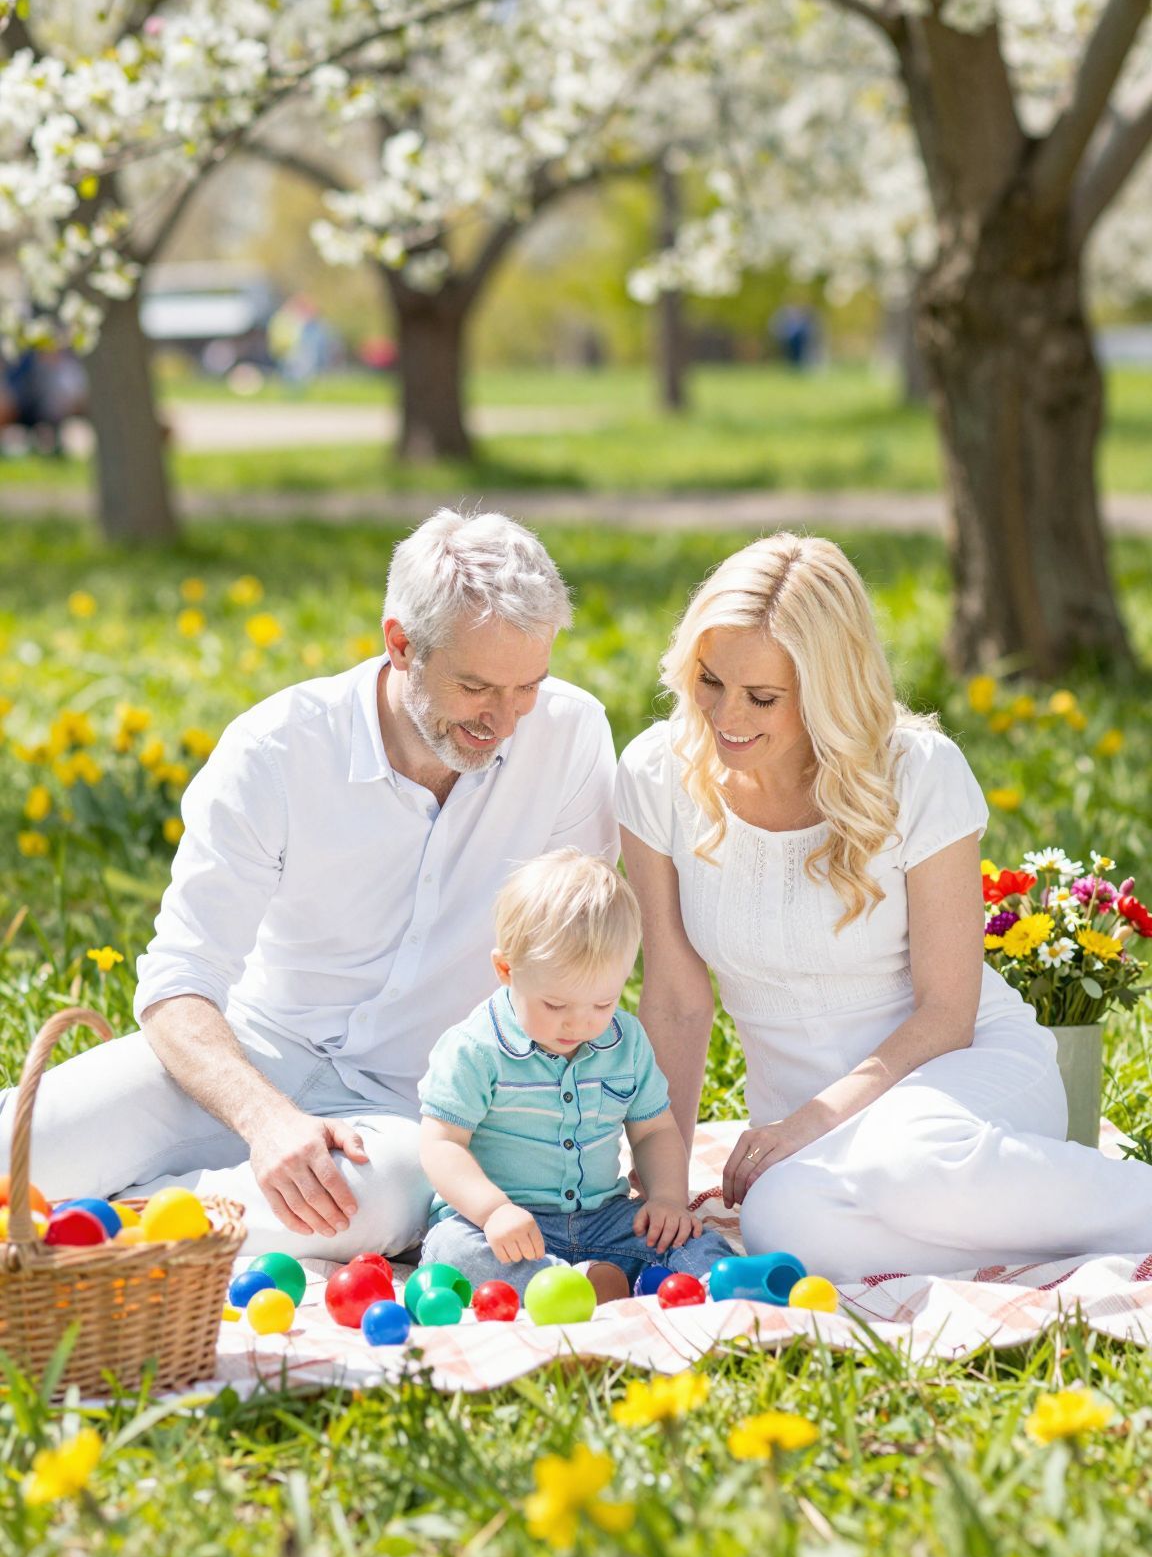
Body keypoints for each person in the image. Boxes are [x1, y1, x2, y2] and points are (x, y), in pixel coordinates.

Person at [0, 511, 618, 1259]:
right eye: (477, 687)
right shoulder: (277, 750)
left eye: (528, 687)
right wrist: (267, 1123)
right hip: (247, 1060)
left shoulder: (571, 735)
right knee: (20, 1145)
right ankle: (137, 1204)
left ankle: (106, 1224)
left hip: (415, 1107)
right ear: (401, 645)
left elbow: (576, 956)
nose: (506, 719)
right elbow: (179, 982)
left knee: (359, 1211)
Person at [615, 533, 1152, 1282]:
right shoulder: (654, 773)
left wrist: (814, 1119)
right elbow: (674, 998)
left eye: (762, 698)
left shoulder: (918, 771)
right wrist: (664, 1186)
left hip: (960, 1075)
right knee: (781, 1226)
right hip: (812, 1141)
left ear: (827, 690)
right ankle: (1050, 1231)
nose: (724, 716)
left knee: (905, 1157)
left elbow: (946, 1014)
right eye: (709, 681)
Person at [417, 848, 724, 1300]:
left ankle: (718, 1284)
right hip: (508, 1224)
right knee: (452, 1250)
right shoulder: (475, 1049)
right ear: (506, 969)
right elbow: (442, 1144)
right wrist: (493, 1210)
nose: (579, 1024)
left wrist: (667, 1200)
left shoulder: (626, 1042)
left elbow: (654, 1131)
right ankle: (566, 1284)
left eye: (602, 1003)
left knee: (689, 1237)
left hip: (604, 1216)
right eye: (556, 1005)